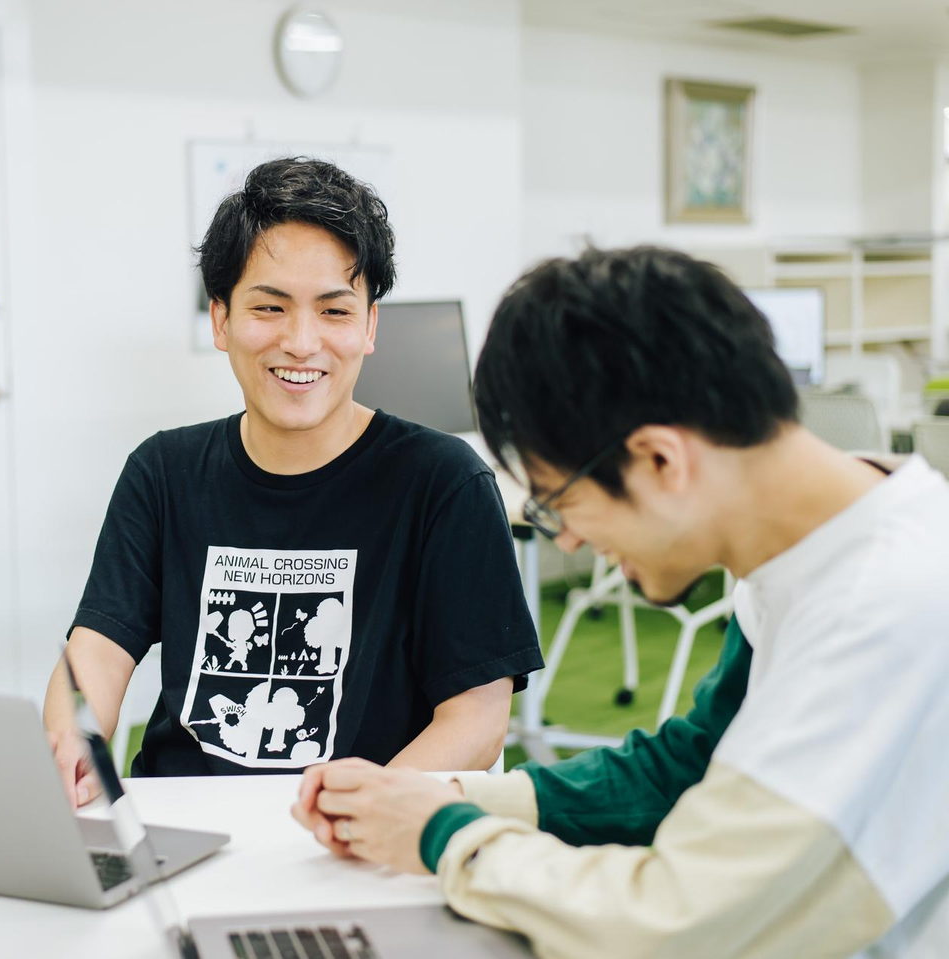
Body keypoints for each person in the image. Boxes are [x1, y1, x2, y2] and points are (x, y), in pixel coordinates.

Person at [291, 246, 949, 958]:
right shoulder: (813, 539)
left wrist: (440, 834)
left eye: (560, 503)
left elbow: (674, 921)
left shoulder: (882, 602)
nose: (569, 540)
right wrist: (455, 796)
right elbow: (687, 768)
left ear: (661, 458)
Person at [43, 158, 541, 805]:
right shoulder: (163, 471)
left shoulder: (444, 483)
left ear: (369, 326)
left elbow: (476, 718)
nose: (302, 342)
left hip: (355, 831)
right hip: (183, 818)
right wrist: (73, 739)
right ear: (221, 319)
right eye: (269, 307)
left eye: (334, 311)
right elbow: (98, 651)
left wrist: (353, 812)